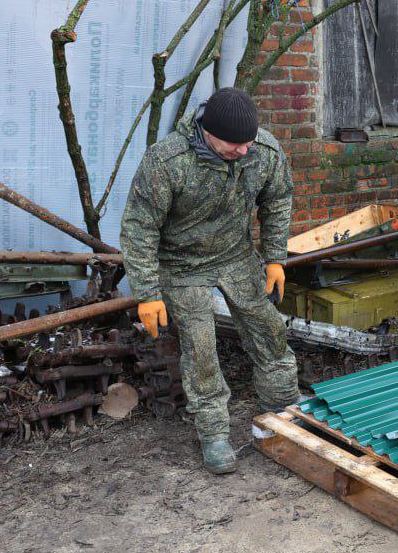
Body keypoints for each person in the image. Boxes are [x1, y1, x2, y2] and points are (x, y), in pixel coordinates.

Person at [121, 87, 299, 475]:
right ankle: (214, 432)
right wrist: (147, 293)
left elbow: (278, 199)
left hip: (236, 257)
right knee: (201, 349)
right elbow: (139, 227)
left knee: (269, 330)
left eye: (248, 141)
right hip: (182, 266)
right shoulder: (167, 161)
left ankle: (284, 407)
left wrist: (275, 259)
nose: (243, 150)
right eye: (234, 144)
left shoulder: (262, 151)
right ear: (207, 132)